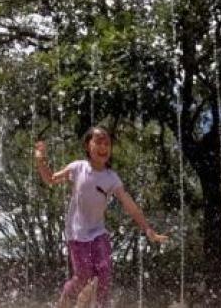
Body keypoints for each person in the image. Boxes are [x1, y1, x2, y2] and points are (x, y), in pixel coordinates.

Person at [34, 126, 168, 308]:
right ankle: (64, 303)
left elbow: (129, 204)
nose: (103, 146)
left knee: (104, 271)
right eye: (98, 141)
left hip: (98, 231)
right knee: (83, 276)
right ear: (88, 145)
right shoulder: (77, 168)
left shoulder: (111, 178)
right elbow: (50, 179)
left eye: (107, 143)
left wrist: (147, 228)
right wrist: (41, 159)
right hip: (77, 232)